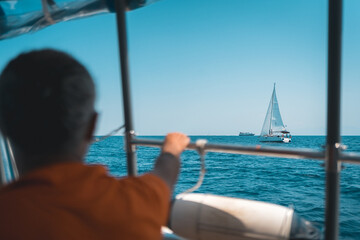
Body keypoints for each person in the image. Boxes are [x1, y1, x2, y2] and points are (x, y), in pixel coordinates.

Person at [0, 49, 190, 239]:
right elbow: (165, 174)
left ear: (3, 125)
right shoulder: (138, 200)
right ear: (92, 126)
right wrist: (171, 148)